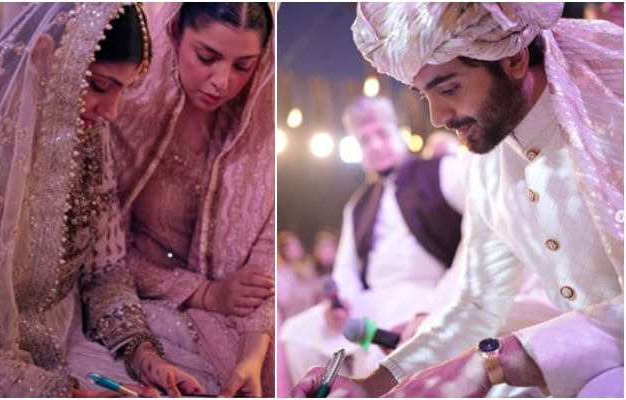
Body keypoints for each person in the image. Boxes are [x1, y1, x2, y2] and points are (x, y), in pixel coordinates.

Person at [293, 2, 623, 397]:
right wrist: (373, 384)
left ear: (513, 58)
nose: (436, 116)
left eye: (449, 88)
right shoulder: (488, 163)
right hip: (569, 358)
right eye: (424, 94)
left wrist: (493, 362)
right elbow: (478, 305)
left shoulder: (612, 119)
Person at [0, 3, 203, 397]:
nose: (111, 111)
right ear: (42, 55)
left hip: (67, 345)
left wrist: (143, 355)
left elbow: (103, 271)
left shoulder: (89, 141)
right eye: (99, 86)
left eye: (122, 90)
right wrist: (69, 393)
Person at [67, 3, 276, 397]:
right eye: (207, 57)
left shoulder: (258, 126)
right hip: (135, 306)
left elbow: (263, 265)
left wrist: (251, 355)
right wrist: (205, 293)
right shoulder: (119, 106)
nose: (221, 82)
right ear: (175, 30)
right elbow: (103, 256)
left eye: (242, 66)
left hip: (241, 322)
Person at [281, 95, 466, 384]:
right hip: (372, 299)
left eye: (381, 133)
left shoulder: (441, 169)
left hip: (429, 292)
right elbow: (345, 269)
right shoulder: (358, 204)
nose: (376, 146)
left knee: (379, 352)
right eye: (365, 140)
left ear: (398, 130)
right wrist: (339, 303)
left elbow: (482, 223)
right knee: (295, 333)